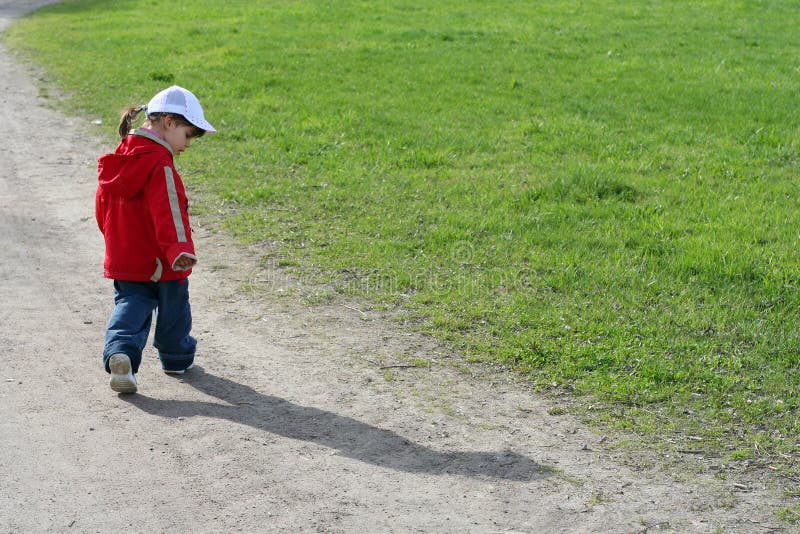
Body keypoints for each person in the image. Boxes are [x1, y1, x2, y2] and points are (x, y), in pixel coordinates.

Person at [95, 85, 216, 393]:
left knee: (130, 304)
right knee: (175, 307)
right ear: (169, 123)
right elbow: (169, 211)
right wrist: (179, 250)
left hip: (125, 254)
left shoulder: (120, 156)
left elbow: (102, 205)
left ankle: (121, 351)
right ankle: (176, 357)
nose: (187, 144)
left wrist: (115, 241)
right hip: (164, 258)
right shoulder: (160, 164)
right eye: (188, 135)